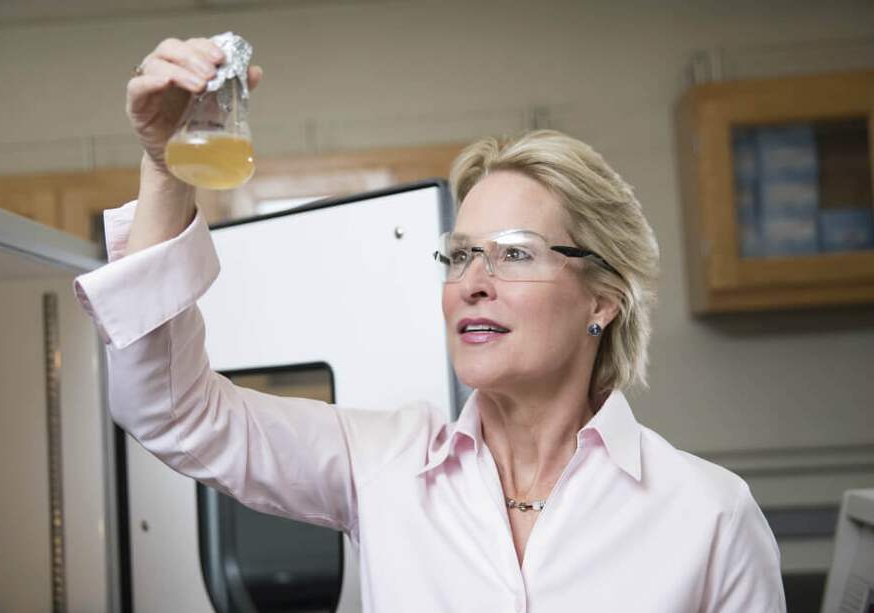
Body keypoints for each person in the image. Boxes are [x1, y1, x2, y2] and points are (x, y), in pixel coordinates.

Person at [74, 37, 786, 612]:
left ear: (603, 298)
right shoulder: (383, 465)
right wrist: (166, 168)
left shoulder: (708, 515)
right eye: (460, 254)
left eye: (513, 253)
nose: (472, 281)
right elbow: (173, 413)